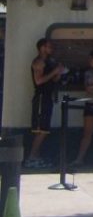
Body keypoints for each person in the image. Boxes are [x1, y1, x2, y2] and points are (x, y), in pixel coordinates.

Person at [26, 37, 66, 168]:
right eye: (49, 46)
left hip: (48, 96)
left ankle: (37, 156)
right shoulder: (38, 62)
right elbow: (38, 81)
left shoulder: (49, 62)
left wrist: (58, 74)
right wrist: (54, 72)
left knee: (44, 128)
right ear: (42, 48)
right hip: (41, 97)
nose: (51, 49)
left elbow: (52, 80)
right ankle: (32, 156)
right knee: (41, 129)